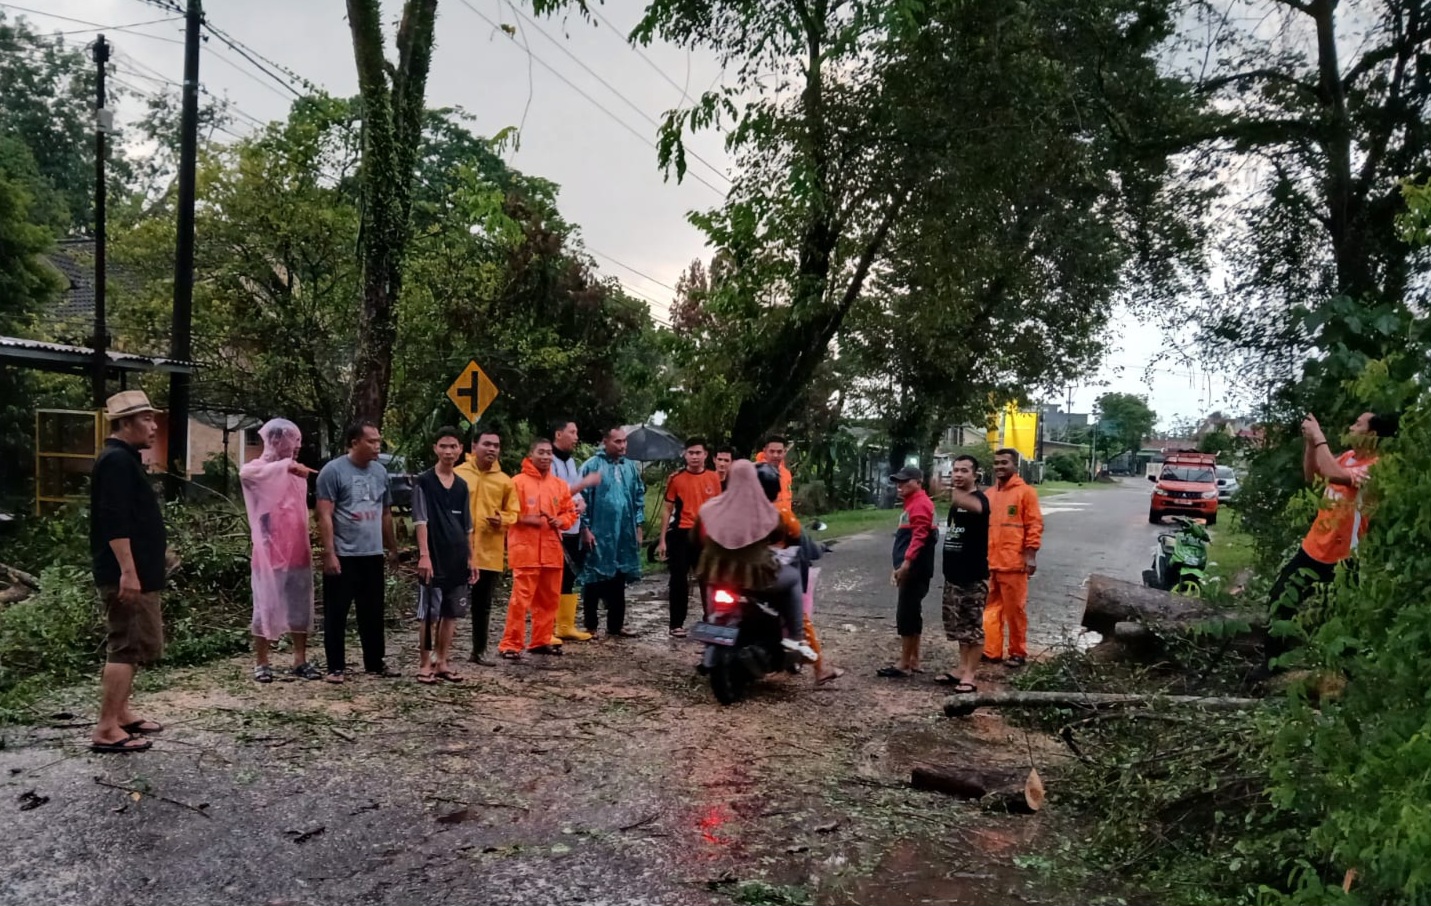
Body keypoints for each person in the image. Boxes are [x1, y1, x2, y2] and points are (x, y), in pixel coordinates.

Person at [1267, 410, 1398, 629]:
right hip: (1313, 548)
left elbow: (1332, 472)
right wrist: (1310, 443)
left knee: (1342, 619)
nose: (1351, 428)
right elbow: (1313, 475)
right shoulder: (1347, 457)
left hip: (1344, 557)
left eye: (1357, 424)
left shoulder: (1376, 467)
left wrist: (1319, 436)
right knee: (1279, 599)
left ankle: (1336, 661)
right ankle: (1274, 662)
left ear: (1372, 434)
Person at [89, 391, 167, 753]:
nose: (153, 427)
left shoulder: (127, 459)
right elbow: (114, 520)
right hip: (126, 574)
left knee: (134, 645)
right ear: (125, 423)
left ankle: (120, 713)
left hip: (140, 570)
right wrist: (128, 571)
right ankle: (105, 727)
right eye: (146, 420)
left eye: (153, 419)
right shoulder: (116, 461)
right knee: (124, 645)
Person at [693, 460, 817, 659]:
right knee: (793, 577)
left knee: (712, 599)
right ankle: (795, 637)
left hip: (718, 575)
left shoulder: (708, 508)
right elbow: (779, 536)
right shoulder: (769, 512)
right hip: (755, 578)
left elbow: (696, 540)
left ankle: (711, 632)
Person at [316, 420, 399, 683]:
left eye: (378, 441)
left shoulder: (380, 472)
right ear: (355, 443)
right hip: (344, 554)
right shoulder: (333, 471)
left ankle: (375, 662)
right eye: (371, 441)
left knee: (372, 611)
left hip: (371, 553)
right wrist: (329, 553)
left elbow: (386, 513)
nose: (377, 446)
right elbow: (324, 515)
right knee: (337, 612)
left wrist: (392, 548)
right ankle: (335, 666)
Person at [239, 418, 320, 684]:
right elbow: (246, 474)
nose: (297, 447)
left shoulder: (297, 472)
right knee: (264, 606)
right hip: (268, 553)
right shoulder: (259, 468)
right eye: (292, 441)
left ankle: (300, 658)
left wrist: (293, 468)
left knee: (300, 605)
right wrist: (286, 465)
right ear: (275, 440)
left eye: (298, 441)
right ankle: (262, 662)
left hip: (297, 548)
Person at [498, 438, 578, 657]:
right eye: (540, 452)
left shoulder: (559, 485)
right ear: (530, 454)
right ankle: (511, 644)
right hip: (526, 550)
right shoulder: (517, 482)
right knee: (520, 599)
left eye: (549, 453)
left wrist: (560, 521)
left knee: (549, 599)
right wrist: (527, 519)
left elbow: (570, 512)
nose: (545, 457)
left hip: (552, 550)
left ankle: (540, 640)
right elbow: (506, 513)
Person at [412, 427, 476, 684]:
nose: (448, 451)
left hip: (457, 557)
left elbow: (468, 526)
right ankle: (425, 664)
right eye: (443, 446)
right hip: (434, 556)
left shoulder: (462, 486)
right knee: (430, 613)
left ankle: (443, 661)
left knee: (451, 613)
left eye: (453, 447)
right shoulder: (424, 482)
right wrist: (424, 555)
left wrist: (472, 558)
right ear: (435, 449)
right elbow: (420, 520)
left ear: (461, 450)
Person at [454, 426, 519, 665]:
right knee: (447, 601)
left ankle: (479, 650)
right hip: (458, 548)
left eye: (496, 445)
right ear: (474, 447)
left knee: (482, 605)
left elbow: (514, 512)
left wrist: (502, 519)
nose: (492, 449)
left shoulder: (504, 481)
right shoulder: (458, 473)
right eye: (487, 444)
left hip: (489, 550)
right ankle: (439, 653)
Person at [579, 426, 645, 637]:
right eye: (617, 441)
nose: (623, 445)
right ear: (605, 442)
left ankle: (616, 625)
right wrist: (584, 528)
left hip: (624, 532)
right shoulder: (592, 466)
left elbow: (638, 497)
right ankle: (591, 625)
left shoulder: (630, 468)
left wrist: (638, 526)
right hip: (599, 530)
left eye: (624, 441)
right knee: (594, 578)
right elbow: (580, 499)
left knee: (619, 577)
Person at [983, 448, 1043, 668]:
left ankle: (1018, 652)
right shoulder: (989, 494)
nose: (999, 466)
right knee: (990, 609)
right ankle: (992, 651)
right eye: (997, 463)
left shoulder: (1025, 493)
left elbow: (1034, 525)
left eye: (1004, 463)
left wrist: (1031, 555)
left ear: (1014, 465)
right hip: (990, 562)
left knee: (1015, 611)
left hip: (1014, 563)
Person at [935, 454, 990, 692]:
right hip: (953, 576)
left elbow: (976, 507)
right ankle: (961, 667)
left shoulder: (979, 500)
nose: (958, 474)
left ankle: (970, 675)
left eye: (964, 470)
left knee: (973, 628)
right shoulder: (958, 502)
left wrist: (947, 491)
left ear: (975, 474)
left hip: (972, 577)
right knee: (959, 627)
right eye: (955, 470)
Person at [657, 437, 721, 636]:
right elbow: (667, 509)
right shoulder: (676, 478)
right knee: (678, 579)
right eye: (691, 453)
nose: (694, 457)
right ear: (685, 455)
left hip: (707, 534)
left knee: (709, 579)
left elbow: (719, 507)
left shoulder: (714, 478)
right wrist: (662, 540)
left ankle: (712, 618)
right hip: (682, 534)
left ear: (705, 455)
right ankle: (676, 623)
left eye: (698, 453)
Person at [879, 465, 937, 678]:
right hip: (915, 568)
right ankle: (913, 659)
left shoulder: (920, 504)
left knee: (906, 614)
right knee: (913, 613)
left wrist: (905, 564)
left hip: (914, 569)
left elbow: (919, 536)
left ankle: (904, 663)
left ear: (918, 481)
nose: (900, 486)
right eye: (899, 482)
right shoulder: (913, 503)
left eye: (906, 482)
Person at [549, 419, 602, 643]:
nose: (576, 436)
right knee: (553, 579)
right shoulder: (548, 461)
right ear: (558, 434)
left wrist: (581, 503)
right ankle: (547, 627)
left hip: (574, 526)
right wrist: (583, 486)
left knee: (569, 577)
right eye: (572, 432)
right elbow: (553, 495)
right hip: (556, 529)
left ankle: (565, 625)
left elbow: (574, 492)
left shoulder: (570, 462)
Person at [755, 435, 794, 513]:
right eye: (772, 451)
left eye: (779, 452)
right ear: (765, 452)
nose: (775, 455)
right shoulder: (756, 472)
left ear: (784, 452)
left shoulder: (786, 473)